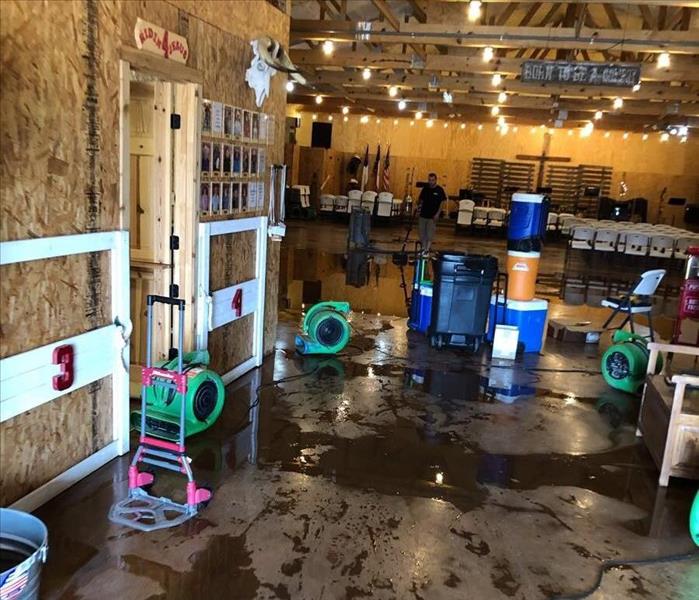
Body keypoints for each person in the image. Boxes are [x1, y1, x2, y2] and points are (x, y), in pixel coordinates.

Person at [417, 172, 446, 254]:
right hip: (423, 215)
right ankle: (423, 248)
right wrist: (418, 204)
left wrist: (438, 214)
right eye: (429, 180)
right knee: (422, 233)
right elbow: (420, 199)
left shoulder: (439, 190)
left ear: (436, 180)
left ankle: (427, 249)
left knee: (430, 234)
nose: (431, 182)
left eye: (432, 180)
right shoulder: (425, 189)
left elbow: (442, 203)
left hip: (432, 216)